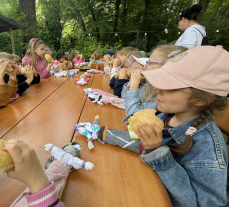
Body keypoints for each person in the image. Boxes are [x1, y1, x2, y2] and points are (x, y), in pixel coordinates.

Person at [96, 46, 229, 206]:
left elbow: (203, 203)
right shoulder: (166, 115)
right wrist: (104, 133)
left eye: (170, 86)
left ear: (202, 99)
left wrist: (157, 152)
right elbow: (140, 144)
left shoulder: (207, 151)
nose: (158, 89)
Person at [122, 45, 187, 117]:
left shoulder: (163, 95)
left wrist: (134, 85)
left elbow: (134, 115)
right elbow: (124, 98)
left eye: (149, 63)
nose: (144, 67)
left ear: (165, 67)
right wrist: (132, 82)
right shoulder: (149, 86)